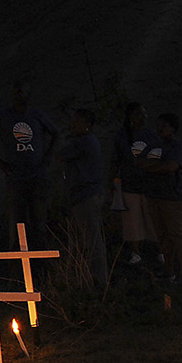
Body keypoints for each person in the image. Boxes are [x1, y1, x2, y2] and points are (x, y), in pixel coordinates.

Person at [0, 81, 61, 250]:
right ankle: (18, 266)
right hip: (16, 176)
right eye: (17, 93)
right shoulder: (3, 116)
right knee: (17, 223)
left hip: (37, 175)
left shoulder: (37, 116)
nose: (20, 96)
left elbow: (56, 133)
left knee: (39, 222)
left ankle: (42, 266)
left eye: (23, 93)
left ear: (28, 95)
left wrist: (47, 158)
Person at [58, 107, 109, 289]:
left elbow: (62, 154)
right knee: (90, 239)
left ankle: (99, 282)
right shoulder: (85, 142)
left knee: (92, 240)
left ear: (87, 124)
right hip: (85, 195)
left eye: (77, 121)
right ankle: (92, 279)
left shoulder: (83, 143)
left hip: (85, 196)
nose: (73, 124)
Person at [138, 112, 182, 281]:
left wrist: (154, 166)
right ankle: (169, 271)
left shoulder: (178, 147)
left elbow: (171, 166)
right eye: (158, 125)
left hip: (173, 197)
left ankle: (181, 274)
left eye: (163, 126)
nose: (159, 129)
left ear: (172, 128)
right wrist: (157, 166)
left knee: (176, 234)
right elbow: (143, 163)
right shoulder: (155, 146)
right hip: (155, 195)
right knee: (162, 235)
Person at [110, 102, 156, 268]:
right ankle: (135, 253)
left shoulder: (151, 135)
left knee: (152, 219)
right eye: (139, 114)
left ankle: (159, 251)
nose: (143, 117)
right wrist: (112, 182)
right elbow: (116, 160)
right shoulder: (123, 136)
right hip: (130, 184)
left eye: (144, 114)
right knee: (131, 221)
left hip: (149, 185)